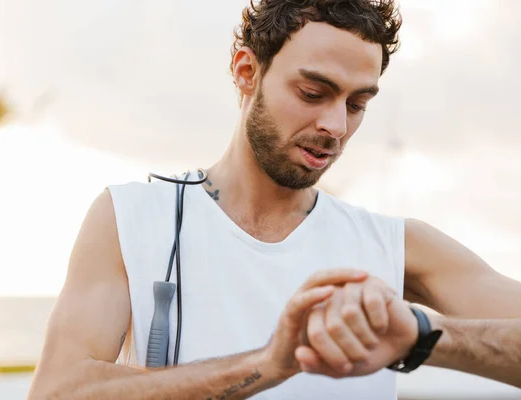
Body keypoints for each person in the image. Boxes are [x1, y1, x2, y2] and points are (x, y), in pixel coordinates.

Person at [28, 0, 521, 399]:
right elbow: (57, 390)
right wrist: (270, 363)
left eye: (357, 104)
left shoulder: (398, 244)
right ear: (246, 71)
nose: (336, 126)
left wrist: (421, 337)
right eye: (313, 92)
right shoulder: (131, 218)